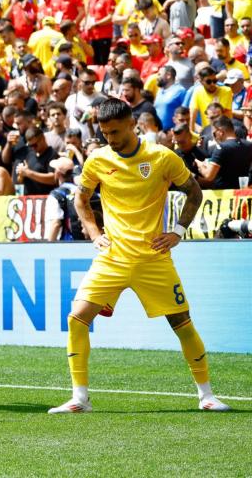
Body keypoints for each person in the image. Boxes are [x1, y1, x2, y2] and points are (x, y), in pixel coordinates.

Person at [49, 98, 230, 414]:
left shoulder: (161, 157)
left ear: (133, 125)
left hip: (153, 259)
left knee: (182, 324)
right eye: (105, 133)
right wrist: (94, 234)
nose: (110, 139)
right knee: (77, 318)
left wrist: (177, 231)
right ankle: (80, 398)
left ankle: (207, 395)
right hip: (113, 258)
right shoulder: (97, 160)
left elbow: (194, 191)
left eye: (116, 132)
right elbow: (80, 201)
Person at [196, 117, 252, 188]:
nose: (214, 138)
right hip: (241, 194)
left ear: (220, 132)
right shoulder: (249, 145)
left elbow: (209, 176)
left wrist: (199, 164)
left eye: (214, 134)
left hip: (223, 194)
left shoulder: (221, 147)